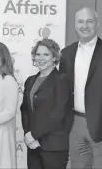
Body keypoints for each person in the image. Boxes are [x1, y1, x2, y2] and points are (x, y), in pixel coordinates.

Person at [59, 7, 102, 168]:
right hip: (75, 125)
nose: (85, 26)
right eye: (81, 21)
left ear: (97, 24)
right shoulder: (66, 53)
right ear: (75, 25)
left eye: (90, 21)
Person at [20, 38, 73, 169]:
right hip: (33, 145)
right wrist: (27, 133)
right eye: (38, 54)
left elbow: (58, 114)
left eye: (46, 54)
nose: (41, 58)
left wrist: (34, 135)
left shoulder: (62, 80)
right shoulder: (30, 81)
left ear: (54, 58)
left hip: (53, 146)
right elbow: (25, 109)